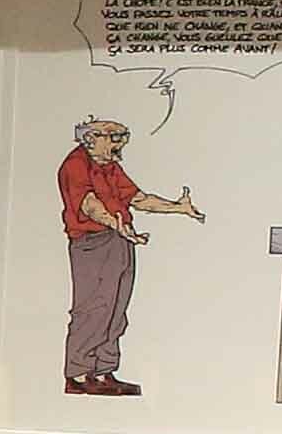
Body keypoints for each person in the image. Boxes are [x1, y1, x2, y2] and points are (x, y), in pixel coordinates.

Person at [55, 115, 204, 396]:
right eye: (114, 137)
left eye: (122, 137)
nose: (120, 143)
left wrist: (177, 207)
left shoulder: (110, 167)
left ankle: (104, 371)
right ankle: (78, 374)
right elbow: (89, 205)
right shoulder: (76, 165)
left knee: (116, 309)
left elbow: (138, 198)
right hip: (92, 243)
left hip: (120, 241)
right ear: (91, 138)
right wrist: (116, 224)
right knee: (92, 309)